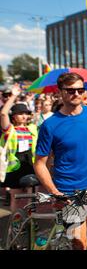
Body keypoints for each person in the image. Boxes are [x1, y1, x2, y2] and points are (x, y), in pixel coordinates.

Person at [34, 73, 87, 250]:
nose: (76, 94)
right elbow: (39, 163)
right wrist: (54, 192)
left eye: (80, 90)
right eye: (71, 90)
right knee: (78, 243)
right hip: (68, 193)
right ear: (60, 92)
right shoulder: (49, 125)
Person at [0, 84, 38, 212]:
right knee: (15, 199)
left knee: (32, 198)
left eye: (25, 113)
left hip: (29, 165)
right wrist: (14, 96)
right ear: (14, 116)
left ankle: (31, 222)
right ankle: (15, 223)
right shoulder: (9, 130)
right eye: (20, 113)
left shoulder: (32, 128)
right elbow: (4, 113)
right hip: (14, 169)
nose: (24, 116)